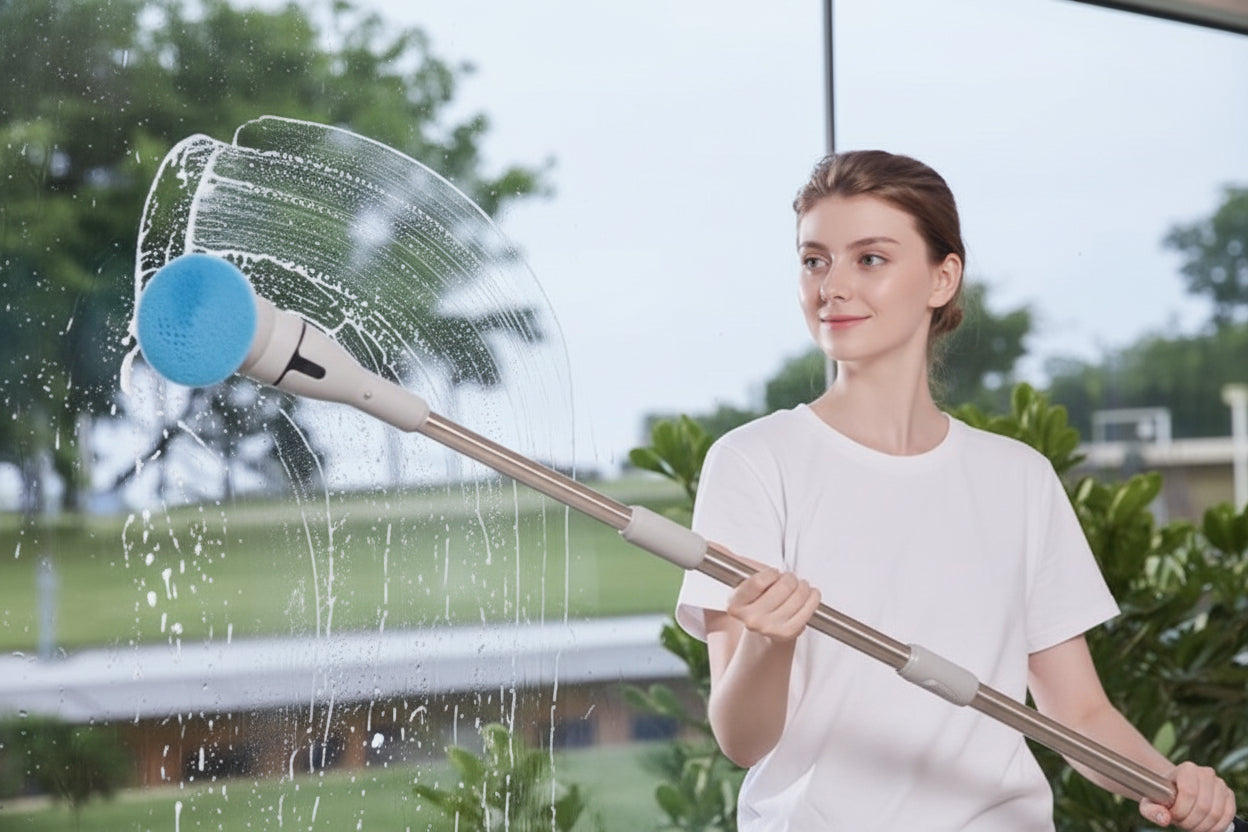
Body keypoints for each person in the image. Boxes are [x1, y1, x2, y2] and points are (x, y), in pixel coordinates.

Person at [675, 150, 1238, 831]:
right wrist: (770, 644)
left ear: (943, 278)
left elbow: (1079, 712)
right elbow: (742, 739)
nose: (832, 286)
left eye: (870, 259)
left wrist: (1172, 783)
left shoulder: (1018, 477)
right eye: (813, 259)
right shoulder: (754, 463)